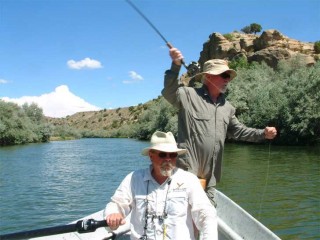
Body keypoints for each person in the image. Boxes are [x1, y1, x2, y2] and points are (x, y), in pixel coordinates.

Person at [161, 48, 277, 205]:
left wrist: (263, 133)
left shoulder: (227, 108)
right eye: (224, 75)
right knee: (184, 221)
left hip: (210, 180)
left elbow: (239, 131)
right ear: (208, 77)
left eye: (228, 76)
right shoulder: (188, 95)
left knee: (208, 219)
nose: (227, 79)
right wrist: (175, 65)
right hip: (186, 176)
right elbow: (168, 91)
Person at [104, 131, 218, 240]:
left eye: (172, 155)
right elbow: (116, 204)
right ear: (151, 155)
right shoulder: (134, 179)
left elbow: (206, 214)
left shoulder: (189, 180)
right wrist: (113, 214)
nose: (168, 159)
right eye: (162, 154)